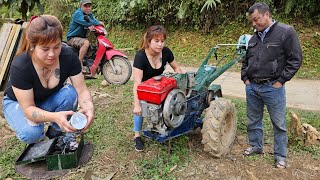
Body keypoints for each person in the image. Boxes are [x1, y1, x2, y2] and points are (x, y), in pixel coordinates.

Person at [2, 15, 94, 144]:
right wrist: (55, 117)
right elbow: (28, 109)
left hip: (45, 99)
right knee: (32, 133)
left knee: (70, 93)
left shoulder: (68, 56)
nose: (52, 54)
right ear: (32, 45)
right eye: (45, 49)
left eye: (56, 47)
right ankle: (39, 137)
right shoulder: (21, 65)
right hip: (19, 104)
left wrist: (89, 108)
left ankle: (56, 133)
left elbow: (82, 90)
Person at [241, 2, 302, 168]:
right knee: (253, 120)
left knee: (279, 124)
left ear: (266, 14)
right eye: (252, 21)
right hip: (252, 87)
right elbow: (246, 61)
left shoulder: (285, 32)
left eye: (256, 19)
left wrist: (280, 81)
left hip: (272, 87)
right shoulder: (254, 38)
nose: (254, 24)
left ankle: (280, 156)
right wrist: (245, 79)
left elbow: (295, 60)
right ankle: (256, 146)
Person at [132, 25, 183, 152]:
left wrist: (181, 82)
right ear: (149, 41)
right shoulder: (140, 56)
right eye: (156, 41)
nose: (160, 44)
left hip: (162, 85)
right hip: (146, 88)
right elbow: (137, 83)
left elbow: (177, 68)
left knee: (169, 105)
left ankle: (166, 126)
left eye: (162, 41)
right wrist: (136, 105)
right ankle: (137, 136)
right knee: (141, 108)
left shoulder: (166, 52)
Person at [66, 0, 104, 73]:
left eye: (89, 6)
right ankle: (79, 65)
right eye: (85, 6)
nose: (88, 8)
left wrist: (96, 24)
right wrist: (97, 23)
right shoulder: (78, 14)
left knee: (94, 47)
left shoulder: (89, 14)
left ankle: (91, 67)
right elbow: (86, 22)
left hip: (81, 38)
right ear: (81, 6)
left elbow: (93, 21)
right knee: (86, 43)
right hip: (72, 38)